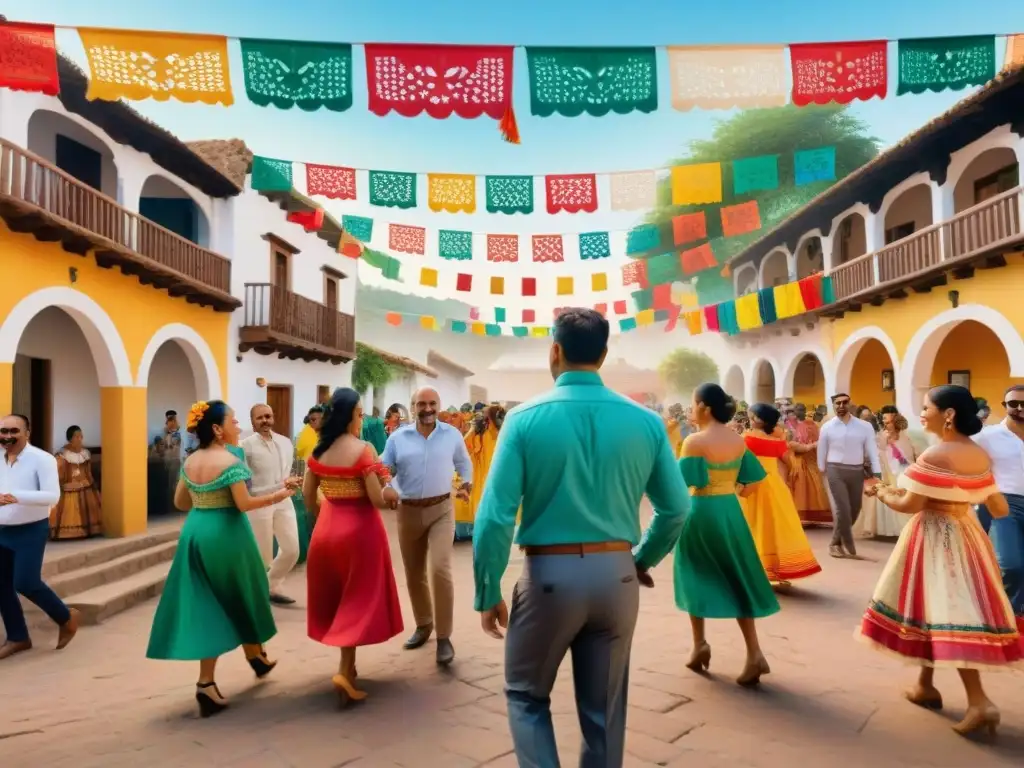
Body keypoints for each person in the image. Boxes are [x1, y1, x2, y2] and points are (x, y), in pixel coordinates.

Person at [472, 308, 689, 767]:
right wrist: (642, 560)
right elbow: (676, 508)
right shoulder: (647, 422)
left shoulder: (523, 419)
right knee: (604, 714)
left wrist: (487, 587)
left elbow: (494, 517)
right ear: (604, 354)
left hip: (549, 575)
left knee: (527, 696)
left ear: (555, 350)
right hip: (618, 577)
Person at [859, 385, 1024, 737]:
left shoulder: (936, 455)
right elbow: (999, 507)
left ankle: (980, 702)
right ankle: (925, 684)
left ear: (947, 414)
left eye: (926, 407)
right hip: (967, 534)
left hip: (934, 537)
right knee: (931, 609)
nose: (921, 413)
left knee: (951, 613)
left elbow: (909, 505)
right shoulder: (977, 455)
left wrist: (882, 491)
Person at [146, 401, 297, 716]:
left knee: (211, 601)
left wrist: (205, 498)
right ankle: (209, 681)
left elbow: (180, 501)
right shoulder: (230, 461)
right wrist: (280, 495)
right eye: (233, 420)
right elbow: (243, 504)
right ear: (216, 429)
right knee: (242, 592)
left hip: (196, 531)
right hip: (227, 534)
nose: (238, 426)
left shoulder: (191, 461)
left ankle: (253, 657)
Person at [674, 384, 779, 686]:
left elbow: (682, 486)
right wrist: (735, 490)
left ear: (704, 406)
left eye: (693, 403)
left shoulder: (694, 442)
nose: (691, 408)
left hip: (701, 510)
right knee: (737, 577)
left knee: (693, 573)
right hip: (730, 511)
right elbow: (756, 480)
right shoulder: (737, 439)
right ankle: (754, 652)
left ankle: (699, 645)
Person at [304, 388, 404, 704]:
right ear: (352, 415)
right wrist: (392, 497)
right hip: (360, 533)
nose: (362, 419)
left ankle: (350, 667)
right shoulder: (364, 450)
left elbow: (308, 496)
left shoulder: (318, 452)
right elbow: (376, 498)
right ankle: (345, 671)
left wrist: (327, 517)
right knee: (358, 599)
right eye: (360, 414)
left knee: (339, 597)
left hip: (326, 531)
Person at [381, 387, 472, 666]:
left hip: (442, 510)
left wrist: (466, 483)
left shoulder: (452, 435)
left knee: (440, 569)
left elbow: (464, 463)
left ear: (439, 405)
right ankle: (424, 624)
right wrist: (386, 486)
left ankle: (444, 637)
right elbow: (384, 469)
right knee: (414, 572)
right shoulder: (397, 438)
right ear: (413, 407)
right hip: (408, 511)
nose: (427, 408)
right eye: (422, 403)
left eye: (432, 403)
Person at [0, 414, 78, 660]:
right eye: (3, 431)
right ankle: (18, 637)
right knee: (1, 585)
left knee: (25, 582)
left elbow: (52, 496)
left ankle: (66, 617)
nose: (8, 436)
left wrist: (16, 495)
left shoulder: (42, 459)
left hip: (31, 529)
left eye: (14, 431)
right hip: (2, 529)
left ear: (27, 433)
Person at [740, 403, 822, 586]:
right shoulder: (777, 442)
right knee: (774, 527)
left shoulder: (746, 439)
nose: (749, 419)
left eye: (751, 416)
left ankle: (752, 569)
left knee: (753, 525)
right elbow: (790, 463)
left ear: (758, 420)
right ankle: (775, 569)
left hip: (753, 485)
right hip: (775, 487)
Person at [973, 384, 1024, 617]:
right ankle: (1004, 618)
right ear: (1004, 406)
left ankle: (1015, 617)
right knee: (1011, 566)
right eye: (1013, 404)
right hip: (1004, 504)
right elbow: (963, 460)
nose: (1020, 408)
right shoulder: (987, 436)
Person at [242, 404, 300, 605]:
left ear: (273, 418)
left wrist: (287, 486)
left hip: (284, 501)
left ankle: (270, 584)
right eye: (260, 418)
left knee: (292, 549)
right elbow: (247, 486)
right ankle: (263, 591)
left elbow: (286, 472)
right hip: (260, 504)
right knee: (263, 555)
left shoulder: (285, 443)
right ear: (252, 421)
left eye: (268, 416)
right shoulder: (245, 446)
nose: (265, 420)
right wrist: (282, 485)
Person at [818, 393, 881, 559]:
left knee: (855, 509)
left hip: (856, 470)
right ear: (833, 406)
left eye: (844, 402)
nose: (841, 406)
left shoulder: (864, 427)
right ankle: (838, 543)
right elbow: (821, 450)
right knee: (843, 509)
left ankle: (839, 540)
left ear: (850, 404)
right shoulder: (827, 427)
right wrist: (821, 469)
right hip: (835, 469)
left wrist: (877, 470)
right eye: (837, 403)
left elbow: (872, 449)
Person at [854, 406, 918, 539]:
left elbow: (913, 453)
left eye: (888, 422)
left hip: (904, 469)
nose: (885, 424)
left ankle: (905, 529)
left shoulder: (907, 436)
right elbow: (877, 453)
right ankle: (885, 530)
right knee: (885, 493)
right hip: (887, 469)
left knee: (902, 494)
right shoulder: (881, 436)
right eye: (884, 421)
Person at [459, 404, 504, 541]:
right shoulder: (505, 432)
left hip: (483, 480)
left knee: (482, 515)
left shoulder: (479, 433)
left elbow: (463, 446)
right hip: (497, 480)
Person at [49, 425, 103, 540]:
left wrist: (91, 482)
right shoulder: (62, 454)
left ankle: (89, 531)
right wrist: (64, 483)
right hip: (69, 486)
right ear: (70, 438)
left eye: (81, 436)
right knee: (69, 511)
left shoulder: (85, 453)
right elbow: (58, 472)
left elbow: (88, 471)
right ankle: (70, 533)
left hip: (86, 485)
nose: (80, 439)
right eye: (77, 436)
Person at [783, 404, 831, 525]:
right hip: (796, 459)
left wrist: (812, 445)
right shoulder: (789, 425)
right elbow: (789, 440)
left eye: (802, 409)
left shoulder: (811, 424)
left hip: (810, 459)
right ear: (793, 411)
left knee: (814, 485)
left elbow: (815, 440)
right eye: (797, 409)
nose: (800, 411)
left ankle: (813, 515)